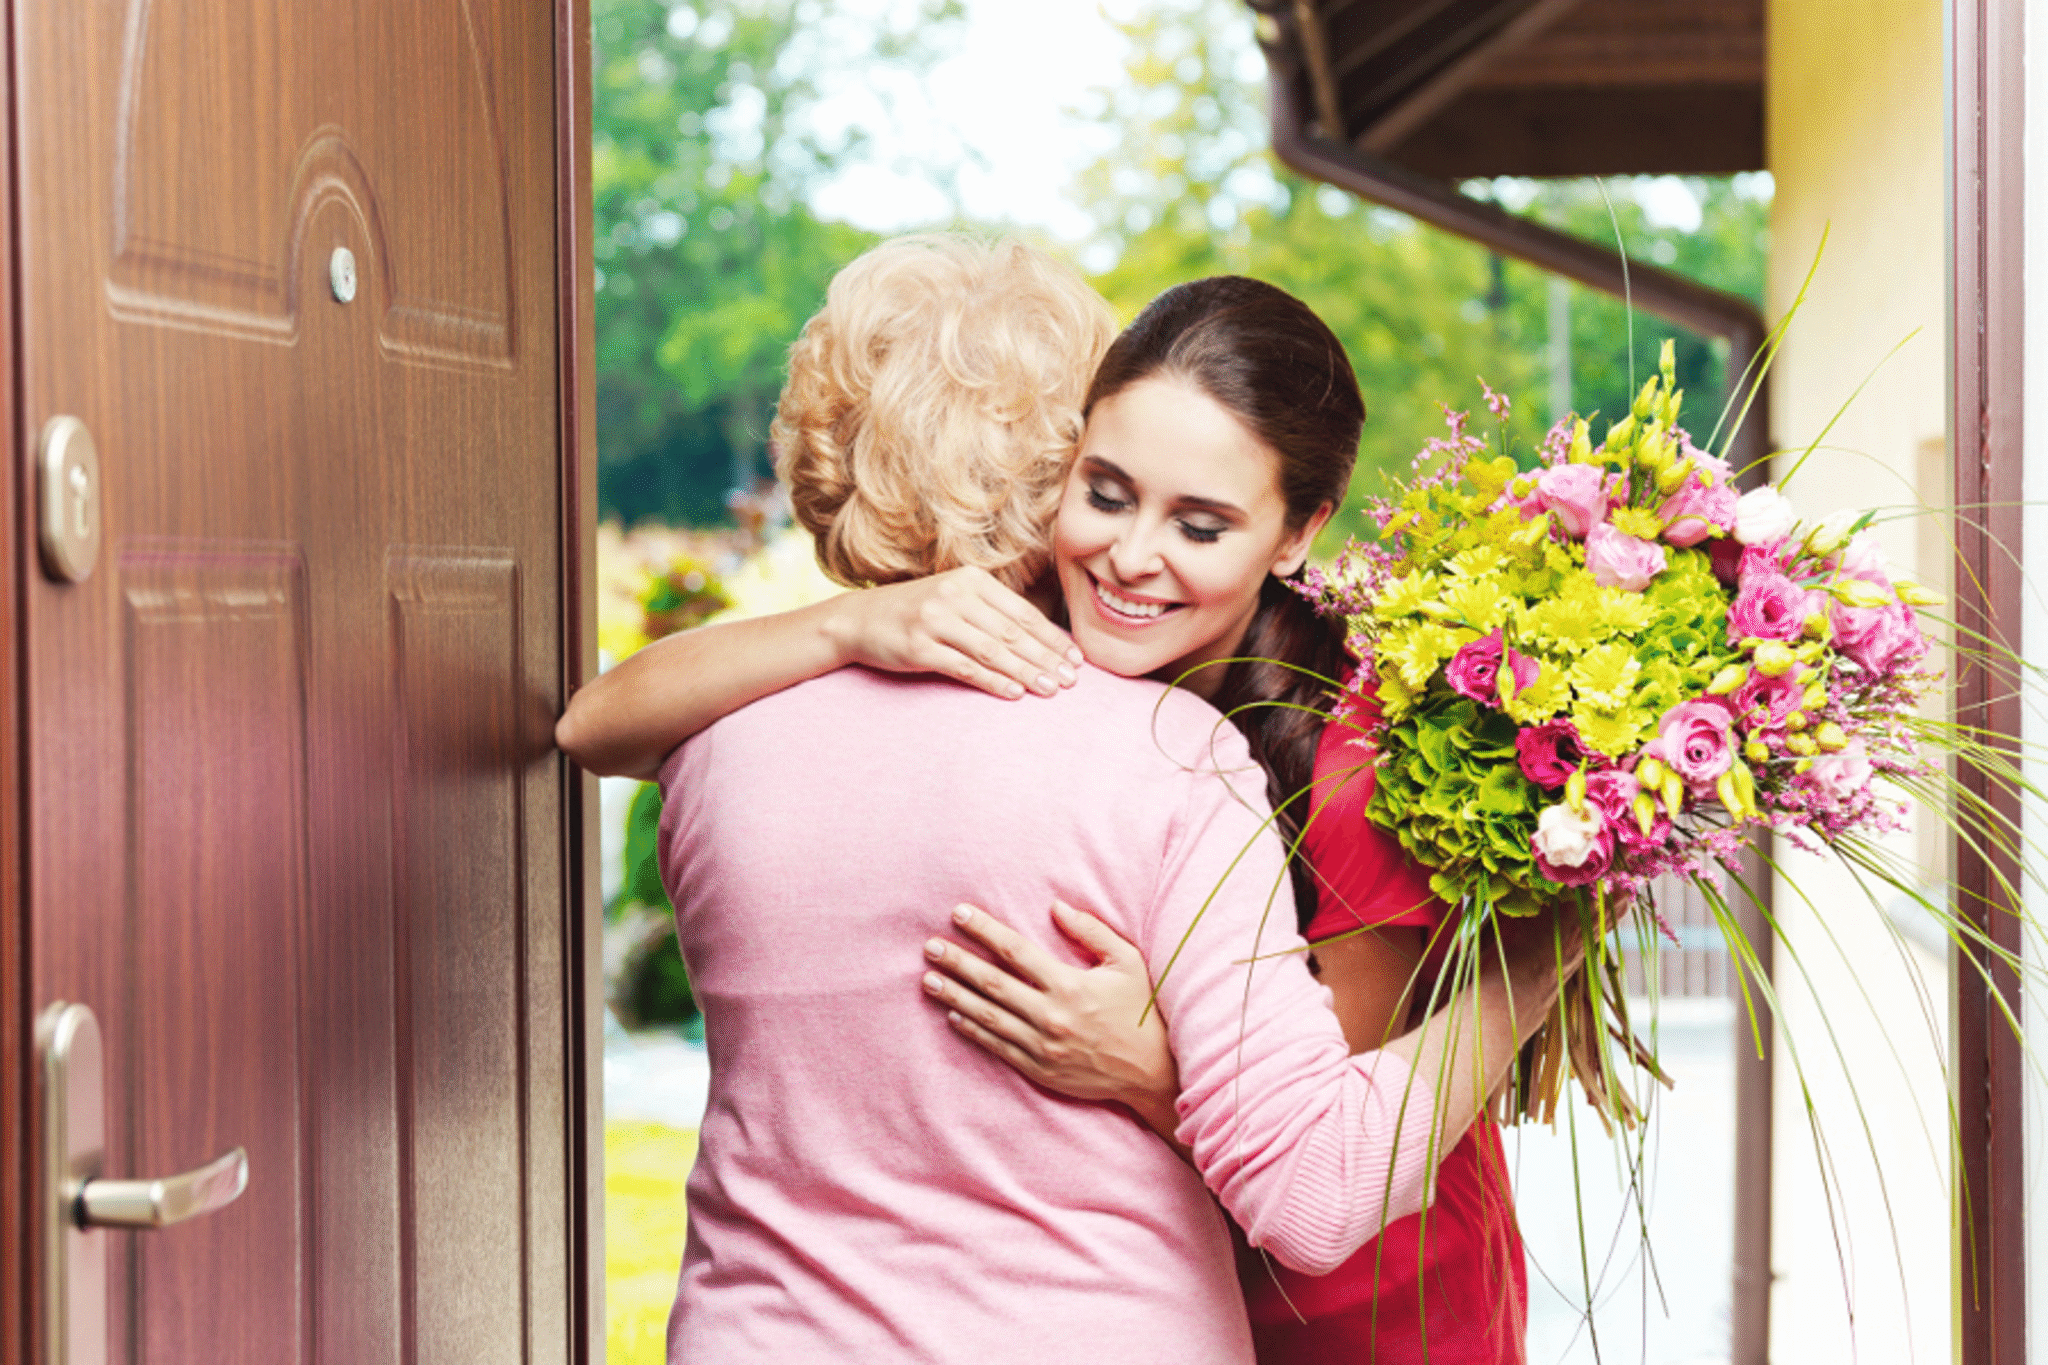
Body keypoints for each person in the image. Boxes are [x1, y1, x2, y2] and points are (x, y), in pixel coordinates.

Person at [556, 236, 1566, 1363]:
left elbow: (591, 725)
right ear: (1058, 466)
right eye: (1105, 490)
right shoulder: (1164, 753)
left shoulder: (713, 740)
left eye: (1198, 521)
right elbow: (1313, 1179)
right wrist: (1541, 953)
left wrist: (1147, 1069)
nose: (1135, 554)